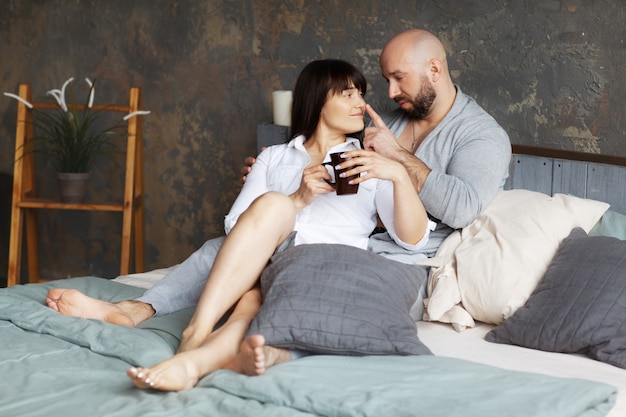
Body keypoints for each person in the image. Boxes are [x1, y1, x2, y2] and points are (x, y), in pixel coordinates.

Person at [47, 27, 511, 378]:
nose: (385, 95)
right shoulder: (385, 116)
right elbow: (316, 150)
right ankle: (145, 314)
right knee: (226, 247)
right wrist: (277, 181)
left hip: (392, 256)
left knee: (267, 284)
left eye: (397, 79)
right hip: (324, 231)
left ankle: (230, 350)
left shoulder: (481, 135)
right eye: (379, 83)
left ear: (434, 69)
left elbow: (463, 207)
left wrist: (398, 163)